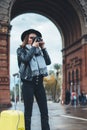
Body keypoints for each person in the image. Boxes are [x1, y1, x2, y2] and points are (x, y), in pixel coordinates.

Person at [17, 29, 51, 130]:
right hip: (28, 83)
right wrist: (33, 48)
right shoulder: (21, 50)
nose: (34, 39)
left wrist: (43, 48)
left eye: (36, 38)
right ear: (26, 39)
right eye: (31, 38)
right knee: (28, 112)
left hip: (39, 84)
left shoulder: (39, 51)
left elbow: (48, 62)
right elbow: (26, 59)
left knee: (44, 112)